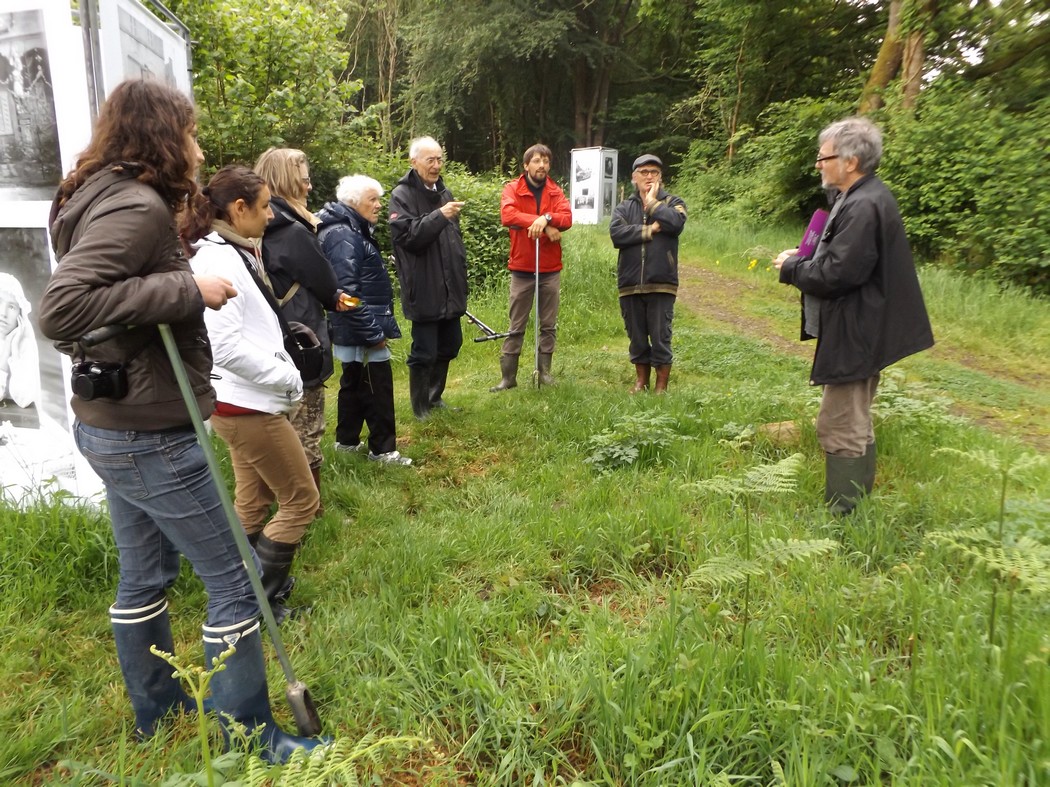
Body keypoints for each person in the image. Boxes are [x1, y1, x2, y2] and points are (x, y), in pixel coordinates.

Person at [38, 79, 324, 762]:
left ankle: (159, 712)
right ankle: (253, 741)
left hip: (111, 418)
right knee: (234, 581)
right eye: (191, 134)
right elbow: (60, 308)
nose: (198, 149)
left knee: (143, 575)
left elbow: (100, 298)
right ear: (164, 137)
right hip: (148, 431)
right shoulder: (135, 206)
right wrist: (185, 288)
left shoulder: (91, 194)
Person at [181, 165, 322, 625]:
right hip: (248, 405)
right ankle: (259, 602)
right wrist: (289, 379)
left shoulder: (233, 249)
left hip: (239, 402)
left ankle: (237, 591)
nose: (270, 217)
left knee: (252, 500)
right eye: (263, 208)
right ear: (238, 209)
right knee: (301, 499)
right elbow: (222, 346)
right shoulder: (219, 261)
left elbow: (247, 325)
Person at [773, 116, 934, 515]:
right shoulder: (861, 196)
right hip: (865, 324)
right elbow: (844, 259)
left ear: (849, 161)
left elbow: (838, 274)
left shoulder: (864, 204)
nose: (818, 164)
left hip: (858, 329)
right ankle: (857, 507)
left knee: (839, 422)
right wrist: (805, 256)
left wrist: (791, 269)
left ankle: (842, 519)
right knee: (856, 417)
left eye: (823, 156)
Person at [254, 148, 345, 511]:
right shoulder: (292, 231)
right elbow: (326, 282)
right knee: (307, 423)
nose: (309, 187)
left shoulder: (255, 227)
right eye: (304, 180)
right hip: (300, 337)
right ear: (289, 183)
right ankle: (310, 507)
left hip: (267, 339)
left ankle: (277, 503)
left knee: (275, 425)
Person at [316, 175, 412, 465]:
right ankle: (383, 450)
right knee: (376, 386)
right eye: (373, 199)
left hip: (352, 323)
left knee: (354, 382)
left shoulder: (348, 229)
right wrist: (372, 332)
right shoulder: (344, 234)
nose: (380, 205)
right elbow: (346, 292)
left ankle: (346, 442)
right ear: (354, 202)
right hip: (360, 324)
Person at [388, 136, 468, 419]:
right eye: (430, 160)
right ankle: (420, 407)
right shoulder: (402, 195)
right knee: (424, 351)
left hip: (451, 286)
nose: (436, 166)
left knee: (450, 344)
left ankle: (435, 398)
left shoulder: (444, 192)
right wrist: (440, 216)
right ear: (414, 162)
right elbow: (408, 237)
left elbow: (453, 243)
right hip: (423, 286)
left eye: (439, 159)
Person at [491, 143, 572, 390]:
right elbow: (508, 216)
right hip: (522, 267)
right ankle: (508, 378)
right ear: (526, 165)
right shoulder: (512, 188)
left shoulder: (555, 191)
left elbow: (567, 218)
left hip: (549, 268)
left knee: (548, 323)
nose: (542, 166)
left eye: (546, 161)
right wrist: (541, 224)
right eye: (537, 161)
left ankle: (544, 373)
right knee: (516, 324)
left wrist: (546, 217)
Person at [609, 154, 688, 394]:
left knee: (660, 335)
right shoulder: (624, 207)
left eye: (654, 172)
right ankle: (641, 382)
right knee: (637, 337)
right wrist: (649, 229)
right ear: (634, 177)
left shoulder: (674, 202)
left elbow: (676, 223)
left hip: (661, 282)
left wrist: (654, 204)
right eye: (644, 172)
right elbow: (617, 234)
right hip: (630, 282)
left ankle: (661, 386)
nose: (649, 176)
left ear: (661, 177)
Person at [0, 272, 41, 428]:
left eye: (11, 306)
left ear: (20, 314)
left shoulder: (24, 343)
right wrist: (4, 357)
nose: (3, 314)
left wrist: (14, 351)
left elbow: (24, 400)